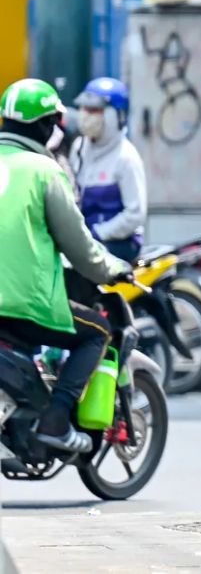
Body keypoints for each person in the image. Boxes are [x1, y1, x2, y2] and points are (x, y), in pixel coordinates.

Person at [0, 79, 131, 453]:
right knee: (98, 331)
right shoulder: (45, 171)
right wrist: (112, 269)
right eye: (55, 121)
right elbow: (80, 247)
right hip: (22, 303)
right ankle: (56, 420)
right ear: (45, 125)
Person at [69, 77, 147, 263]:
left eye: (93, 110)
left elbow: (135, 214)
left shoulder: (126, 157)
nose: (85, 115)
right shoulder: (79, 148)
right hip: (86, 239)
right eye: (83, 108)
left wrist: (98, 233)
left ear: (114, 115)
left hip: (121, 242)